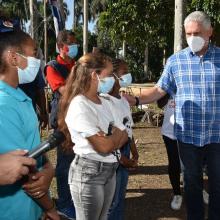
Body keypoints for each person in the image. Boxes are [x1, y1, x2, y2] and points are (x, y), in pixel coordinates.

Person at [124, 11, 220, 220]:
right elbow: (159, 90)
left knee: (218, 184)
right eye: (188, 33)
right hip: (187, 136)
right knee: (192, 185)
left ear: (209, 31)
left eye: (197, 33)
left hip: (217, 135)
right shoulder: (176, 61)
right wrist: (136, 100)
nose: (192, 38)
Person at [58, 53, 128, 220]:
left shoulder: (106, 101)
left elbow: (124, 133)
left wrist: (109, 137)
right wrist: (112, 136)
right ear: (94, 75)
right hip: (89, 174)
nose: (113, 79)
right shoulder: (79, 105)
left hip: (110, 170)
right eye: (109, 74)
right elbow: (103, 146)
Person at [0, 27, 59, 220]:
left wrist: (49, 168)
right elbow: (24, 172)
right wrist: (50, 208)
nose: (38, 60)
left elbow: (31, 151)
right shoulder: (4, 105)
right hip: (13, 211)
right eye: (34, 54)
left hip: (30, 208)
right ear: (13, 58)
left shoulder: (19, 97)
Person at [45, 30, 78, 219]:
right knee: (65, 164)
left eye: (75, 43)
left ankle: (73, 199)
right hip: (63, 121)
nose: (74, 47)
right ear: (60, 46)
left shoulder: (76, 63)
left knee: (75, 161)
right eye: (70, 44)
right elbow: (65, 91)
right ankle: (64, 204)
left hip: (79, 118)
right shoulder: (53, 67)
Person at [106, 58, 139, 220]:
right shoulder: (105, 102)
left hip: (124, 151)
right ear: (113, 76)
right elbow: (107, 137)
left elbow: (129, 130)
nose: (128, 76)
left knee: (119, 197)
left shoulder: (123, 101)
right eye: (124, 73)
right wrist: (123, 158)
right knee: (111, 200)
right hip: (113, 155)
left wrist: (135, 153)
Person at [157, 95, 182, 210]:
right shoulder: (168, 84)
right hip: (170, 133)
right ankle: (177, 194)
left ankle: (198, 189)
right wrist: (168, 90)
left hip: (190, 130)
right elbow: (159, 103)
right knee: (174, 163)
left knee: (195, 163)